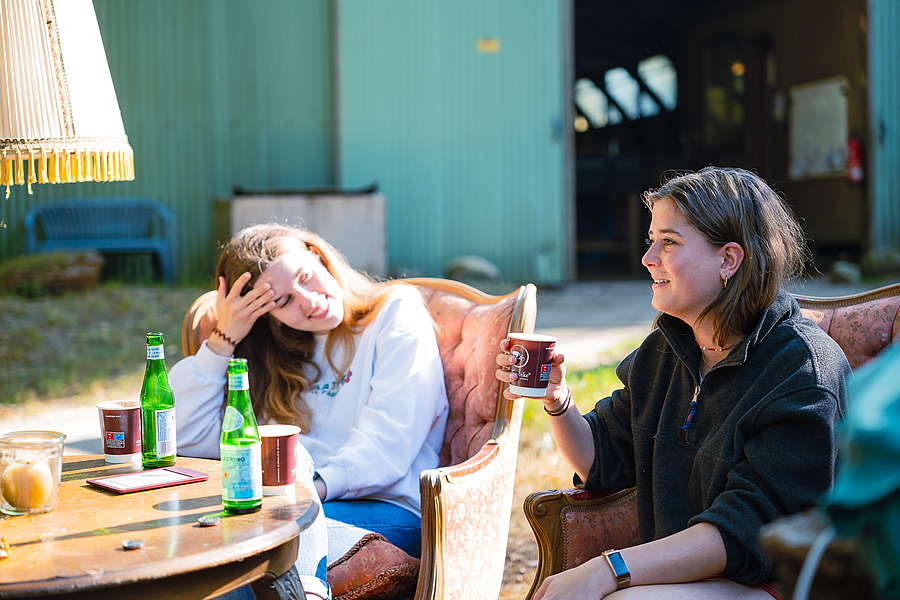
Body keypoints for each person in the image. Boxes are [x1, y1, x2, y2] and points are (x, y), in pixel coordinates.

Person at [496, 167, 850, 599]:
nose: (648, 258)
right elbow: (602, 457)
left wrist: (608, 571)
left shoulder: (800, 371)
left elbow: (745, 531)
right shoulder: (667, 349)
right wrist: (557, 399)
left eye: (669, 242)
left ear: (728, 260)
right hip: (695, 577)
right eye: (651, 241)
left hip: (777, 581)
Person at [171, 223, 449, 599]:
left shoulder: (395, 313)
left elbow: (387, 449)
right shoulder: (276, 359)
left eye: (305, 277)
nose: (308, 301)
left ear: (319, 257)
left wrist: (301, 494)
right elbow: (187, 439)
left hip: (387, 507)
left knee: (236, 567)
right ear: (265, 315)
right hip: (292, 505)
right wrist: (225, 339)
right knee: (205, 559)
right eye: (282, 302)